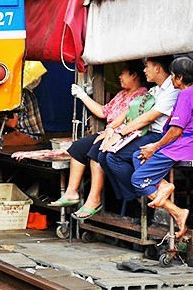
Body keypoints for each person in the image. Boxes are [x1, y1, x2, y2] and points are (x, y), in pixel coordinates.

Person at [131, 56, 193, 239]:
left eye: (172, 75)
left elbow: (176, 131)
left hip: (184, 147)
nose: (170, 79)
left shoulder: (186, 94)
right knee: (138, 155)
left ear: (179, 77)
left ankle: (176, 209)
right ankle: (164, 187)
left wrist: (155, 147)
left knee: (138, 179)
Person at [83, 55, 178, 218]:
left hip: (160, 136)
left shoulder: (172, 91)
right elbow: (130, 110)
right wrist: (111, 128)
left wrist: (121, 134)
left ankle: (139, 196)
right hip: (147, 133)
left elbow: (148, 117)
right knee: (103, 155)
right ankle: (137, 196)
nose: (144, 70)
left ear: (157, 68)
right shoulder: (156, 89)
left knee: (114, 156)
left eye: (147, 66)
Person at [55, 61, 149, 215]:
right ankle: (71, 192)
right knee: (77, 148)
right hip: (107, 132)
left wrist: (111, 132)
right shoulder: (121, 94)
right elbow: (103, 112)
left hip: (122, 135)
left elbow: (127, 119)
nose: (119, 77)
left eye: (123, 73)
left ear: (134, 75)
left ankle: (94, 199)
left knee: (96, 152)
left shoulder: (142, 95)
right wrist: (83, 96)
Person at [3, 61, 47, 148]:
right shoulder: (23, 91)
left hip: (28, 135)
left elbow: (12, 123)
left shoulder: (17, 94)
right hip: (25, 134)